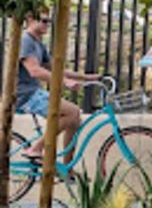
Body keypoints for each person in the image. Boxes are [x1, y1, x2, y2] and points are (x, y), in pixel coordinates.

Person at [15, 11, 100, 161]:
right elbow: (34, 70)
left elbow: (55, 67)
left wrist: (86, 77)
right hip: (25, 95)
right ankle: (36, 148)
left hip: (35, 92)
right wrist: (65, 82)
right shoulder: (26, 41)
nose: (47, 24)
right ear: (29, 19)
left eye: (49, 21)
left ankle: (67, 168)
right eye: (44, 20)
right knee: (72, 112)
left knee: (75, 119)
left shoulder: (38, 43)